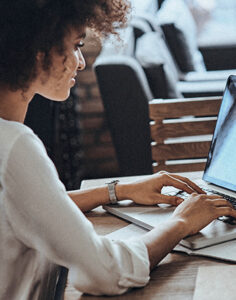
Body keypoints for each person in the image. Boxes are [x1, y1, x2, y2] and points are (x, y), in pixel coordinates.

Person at [0, 1, 236, 299]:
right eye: (75, 46)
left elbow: (32, 206)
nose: (81, 62)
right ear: (36, 52)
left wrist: (119, 190)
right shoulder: (15, 146)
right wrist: (181, 223)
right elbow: (105, 273)